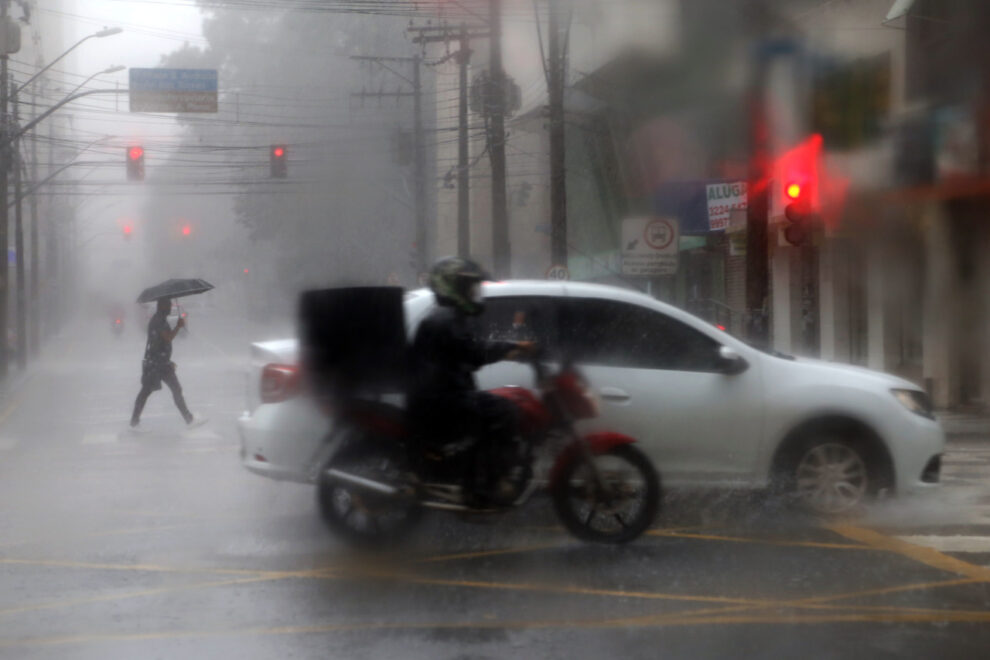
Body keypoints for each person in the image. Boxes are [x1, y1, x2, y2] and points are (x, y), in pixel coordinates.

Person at [407, 257, 534, 504]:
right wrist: (513, 347)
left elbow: (470, 353)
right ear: (452, 287)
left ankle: (481, 476)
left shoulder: (447, 316)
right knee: (504, 412)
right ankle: (486, 484)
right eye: (469, 287)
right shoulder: (444, 319)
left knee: (499, 406)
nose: (474, 293)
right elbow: (474, 353)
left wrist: (511, 349)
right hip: (441, 399)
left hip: (443, 394)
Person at [129, 298, 205, 430]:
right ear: (162, 306)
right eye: (169, 305)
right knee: (162, 390)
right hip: (159, 363)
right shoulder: (158, 320)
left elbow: (161, 342)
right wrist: (178, 326)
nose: (170, 307)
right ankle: (188, 419)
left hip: (159, 361)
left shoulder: (159, 319)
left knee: (150, 391)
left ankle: (134, 421)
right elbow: (167, 337)